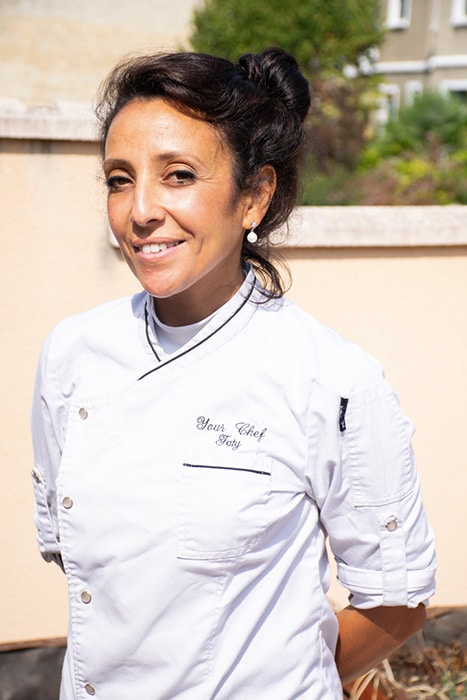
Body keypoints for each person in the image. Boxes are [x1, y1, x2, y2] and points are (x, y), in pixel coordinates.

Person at [31, 48, 436, 699]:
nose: (140, 210)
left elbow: (397, 602)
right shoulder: (73, 353)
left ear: (254, 196)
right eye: (118, 179)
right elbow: (95, 572)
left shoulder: (330, 379)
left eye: (178, 175)